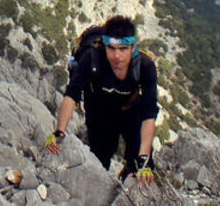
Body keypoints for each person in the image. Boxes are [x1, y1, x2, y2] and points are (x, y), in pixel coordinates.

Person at [45, 15, 159, 188]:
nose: (116, 56)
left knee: (140, 168)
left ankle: (129, 171)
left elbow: (149, 113)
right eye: (111, 48)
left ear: (133, 48)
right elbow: (72, 94)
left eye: (123, 49)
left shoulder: (145, 67)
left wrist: (144, 159)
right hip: (99, 114)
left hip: (130, 112)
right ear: (104, 46)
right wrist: (59, 131)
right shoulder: (92, 59)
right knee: (99, 162)